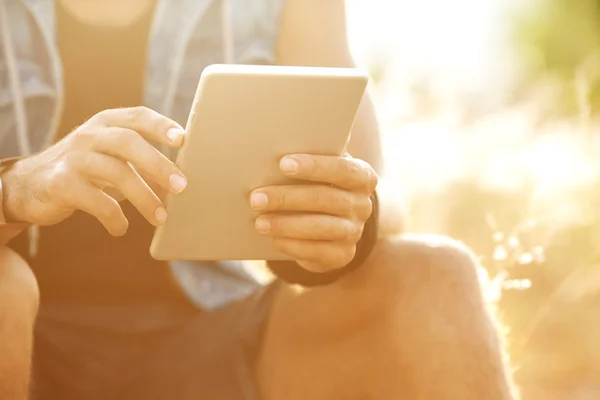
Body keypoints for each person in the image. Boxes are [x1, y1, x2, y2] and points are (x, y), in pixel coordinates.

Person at [0, 0, 518, 399]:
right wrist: (16, 188)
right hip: (19, 341)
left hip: (211, 339)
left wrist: (343, 222)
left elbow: (375, 192)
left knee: (437, 274)